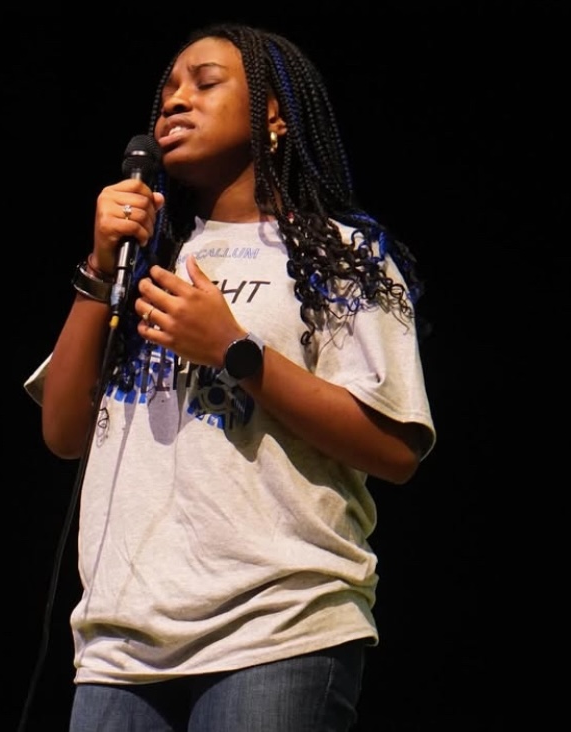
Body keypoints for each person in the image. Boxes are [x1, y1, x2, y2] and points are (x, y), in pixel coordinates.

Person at [24, 21, 436, 732]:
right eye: (167, 93)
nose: (175, 101)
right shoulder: (147, 265)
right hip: (119, 645)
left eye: (204, 83)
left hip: (275, 629)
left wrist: (234, 351)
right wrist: (97, 271)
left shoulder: (338, 257)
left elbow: (395, 451)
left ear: (274, 114)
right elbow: (62, 432)